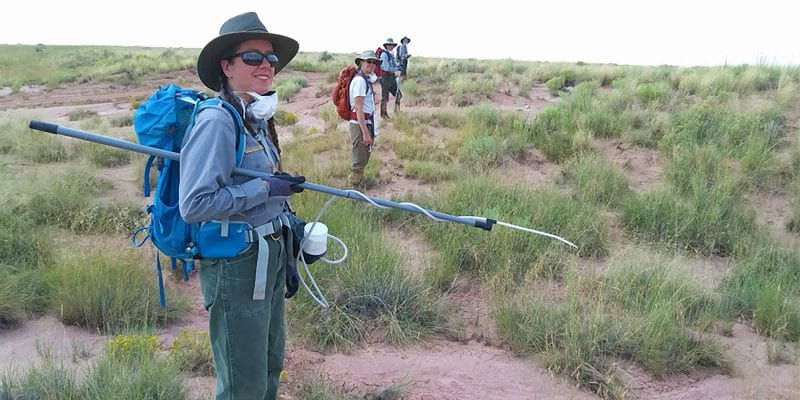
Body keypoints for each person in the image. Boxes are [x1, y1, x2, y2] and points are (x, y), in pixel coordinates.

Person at [179, 11, 304, 400]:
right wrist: (265, 189)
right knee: (242, 381)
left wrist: (291, 228)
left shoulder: (254, 117)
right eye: (253, 57)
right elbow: (195, 204)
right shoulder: (218, 121)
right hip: (237, 264)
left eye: (271, 59)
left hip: (268, 254)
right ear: (227, 66)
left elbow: (261, 188)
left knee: (269, 365)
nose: (266, 65)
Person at [348, 50, 379, 188]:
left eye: (374, 62)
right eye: (369, 61)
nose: (372, 64)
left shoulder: (364, 79)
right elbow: (359, 108)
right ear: (361, 62)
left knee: (363, 156)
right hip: (361, 125)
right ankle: (354, 193)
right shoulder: (360, 81)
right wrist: (365, 133)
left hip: (365, 123)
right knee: (359, 161)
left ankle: (358, 187)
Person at [377, 38, 401, 119]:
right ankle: (384, 115)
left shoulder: (391, 54)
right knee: (385, 97)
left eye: (392, 45)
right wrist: (397, 69)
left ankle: (397, 110)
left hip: (391, 77)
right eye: (390, 45)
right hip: (385, 77)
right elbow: (386, 68)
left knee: (398, 94)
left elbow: (393, 65)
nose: (391, 46)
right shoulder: (384, 55)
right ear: (386, 45)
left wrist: (398, 66)